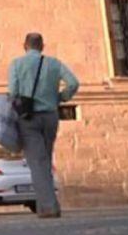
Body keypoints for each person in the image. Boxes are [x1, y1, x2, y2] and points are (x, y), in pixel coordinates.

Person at [8, 33, 79, 219]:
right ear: (42, 46)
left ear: (24, 45)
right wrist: (61, 97)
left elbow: (13, 93)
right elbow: (73, 83)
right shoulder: (54, 63)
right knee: (45, 159)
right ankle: (47, 204)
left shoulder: (16, 64)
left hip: (28, 118)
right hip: (50, 115)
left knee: (37, 162)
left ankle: (48, 208)